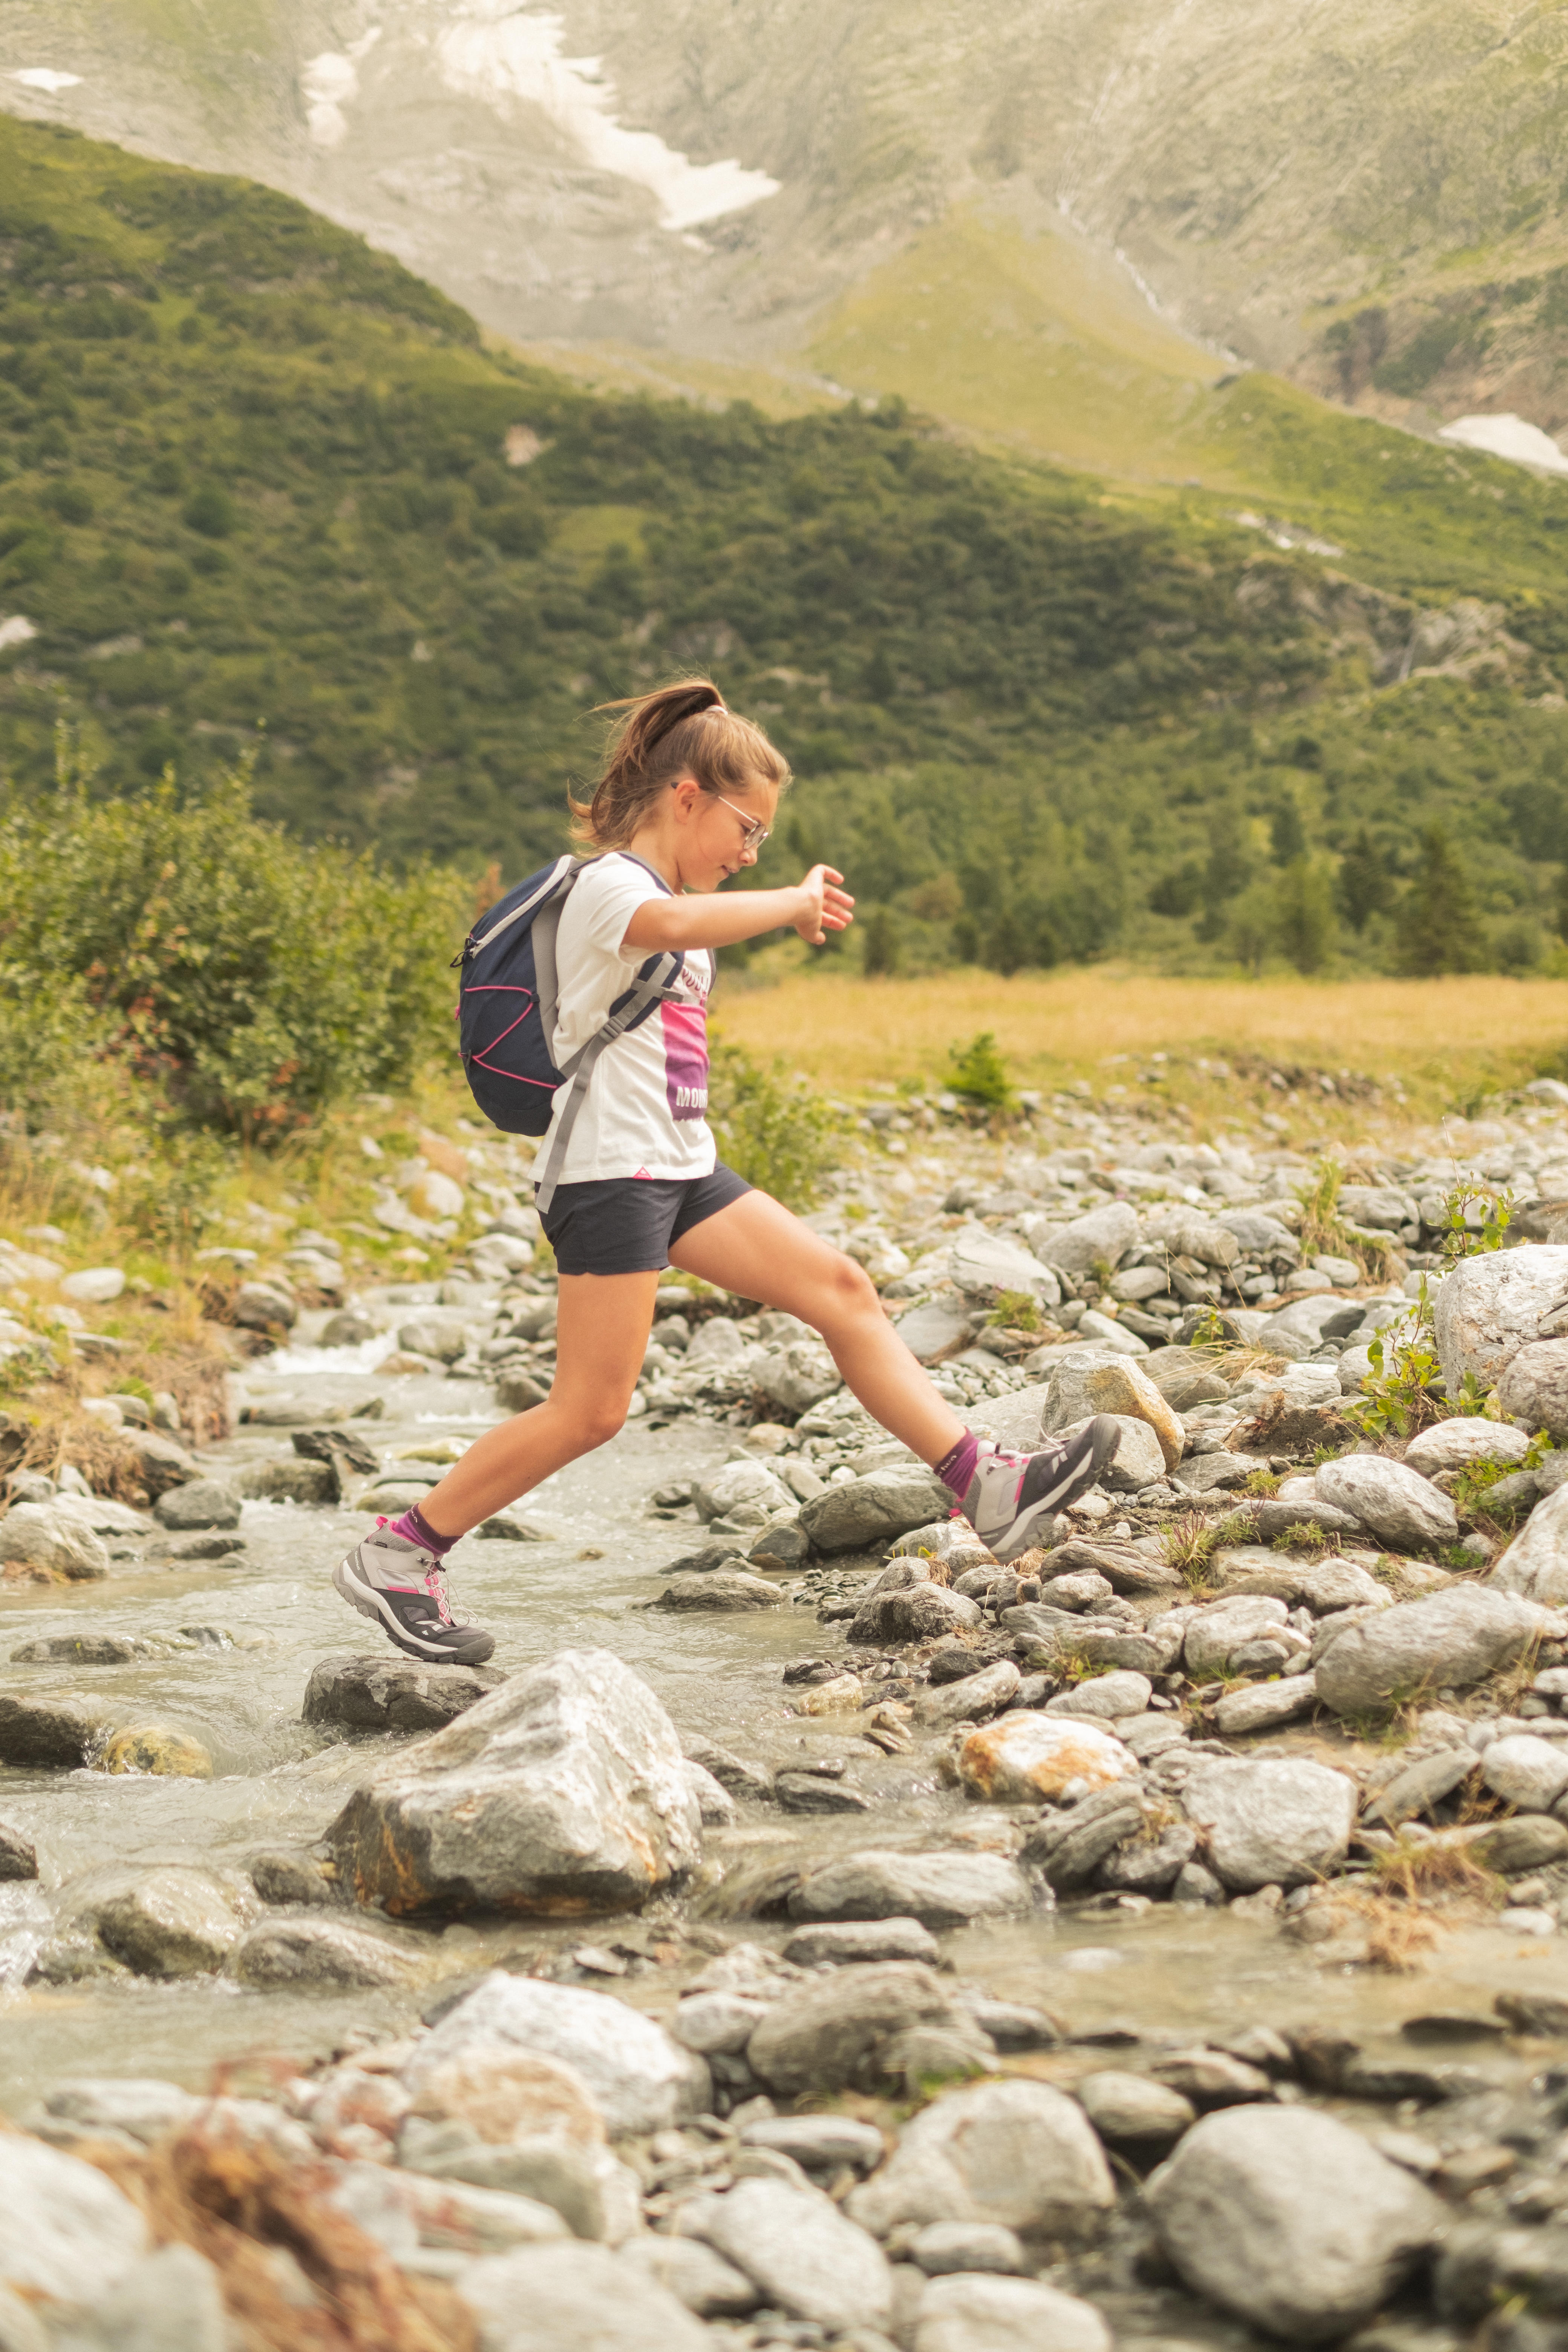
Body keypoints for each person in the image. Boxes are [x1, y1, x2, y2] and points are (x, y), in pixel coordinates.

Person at [332, 679, 1116, 1663]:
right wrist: (784, 903)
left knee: (840, 1289)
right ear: (689, 797)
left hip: (680, 1167)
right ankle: (400, 1554)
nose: (750, 855)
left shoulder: (662, 892)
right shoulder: (608, 886)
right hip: (607, 1175)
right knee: (592, 1411)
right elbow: (666, 935)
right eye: (748, 832)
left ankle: (984, 1484)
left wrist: (762, 900)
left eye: (766, 846)